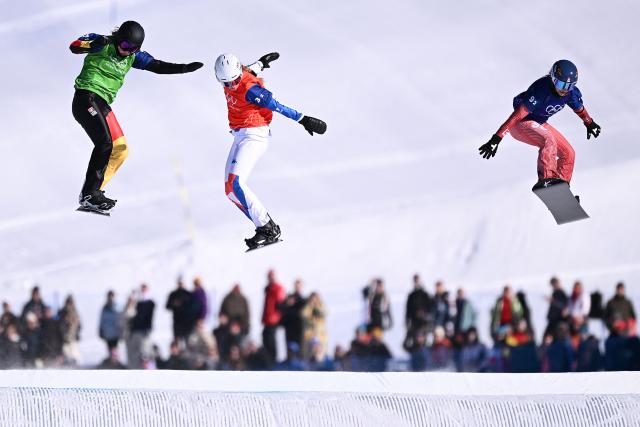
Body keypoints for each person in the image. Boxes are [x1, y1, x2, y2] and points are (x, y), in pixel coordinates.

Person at [69, 21, 203, 213]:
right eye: (124, 46)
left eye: (132, 49)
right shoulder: (103, 43)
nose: (127, 51)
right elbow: (74, 46)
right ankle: (90, 194)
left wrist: (183, 68)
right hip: (86, 98)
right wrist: (92, 44)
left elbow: (156, 65)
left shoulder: (132, 57)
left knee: (121, 150)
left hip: (102, 105)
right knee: (105, 143)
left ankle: (92, 192)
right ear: (118, 40)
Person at [214, 53, 327, 249]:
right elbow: (249, 70)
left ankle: (268, 228)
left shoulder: (250, 89)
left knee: (236, 183)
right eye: (226, 83)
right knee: (229, 190)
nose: (231, 86)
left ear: (239, 75)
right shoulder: (236, 74)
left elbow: (276, 106)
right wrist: (261, 64)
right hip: (241, 135)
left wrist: (303, 119)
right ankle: (262, 227)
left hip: (254, 135)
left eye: (234, 82)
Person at [479, 60, 601, 193]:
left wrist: (589, 123)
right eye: (561, 84)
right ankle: (546, 179)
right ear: (553, 79)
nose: (564, 89)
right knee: (549, 140)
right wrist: (497, 138)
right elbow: (517, 115)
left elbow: (579, 109)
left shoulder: (570, 93)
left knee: (569, 153)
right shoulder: (541, 89)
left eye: (569, 86)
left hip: (539, 123)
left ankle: (562, 190)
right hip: (521, 124)